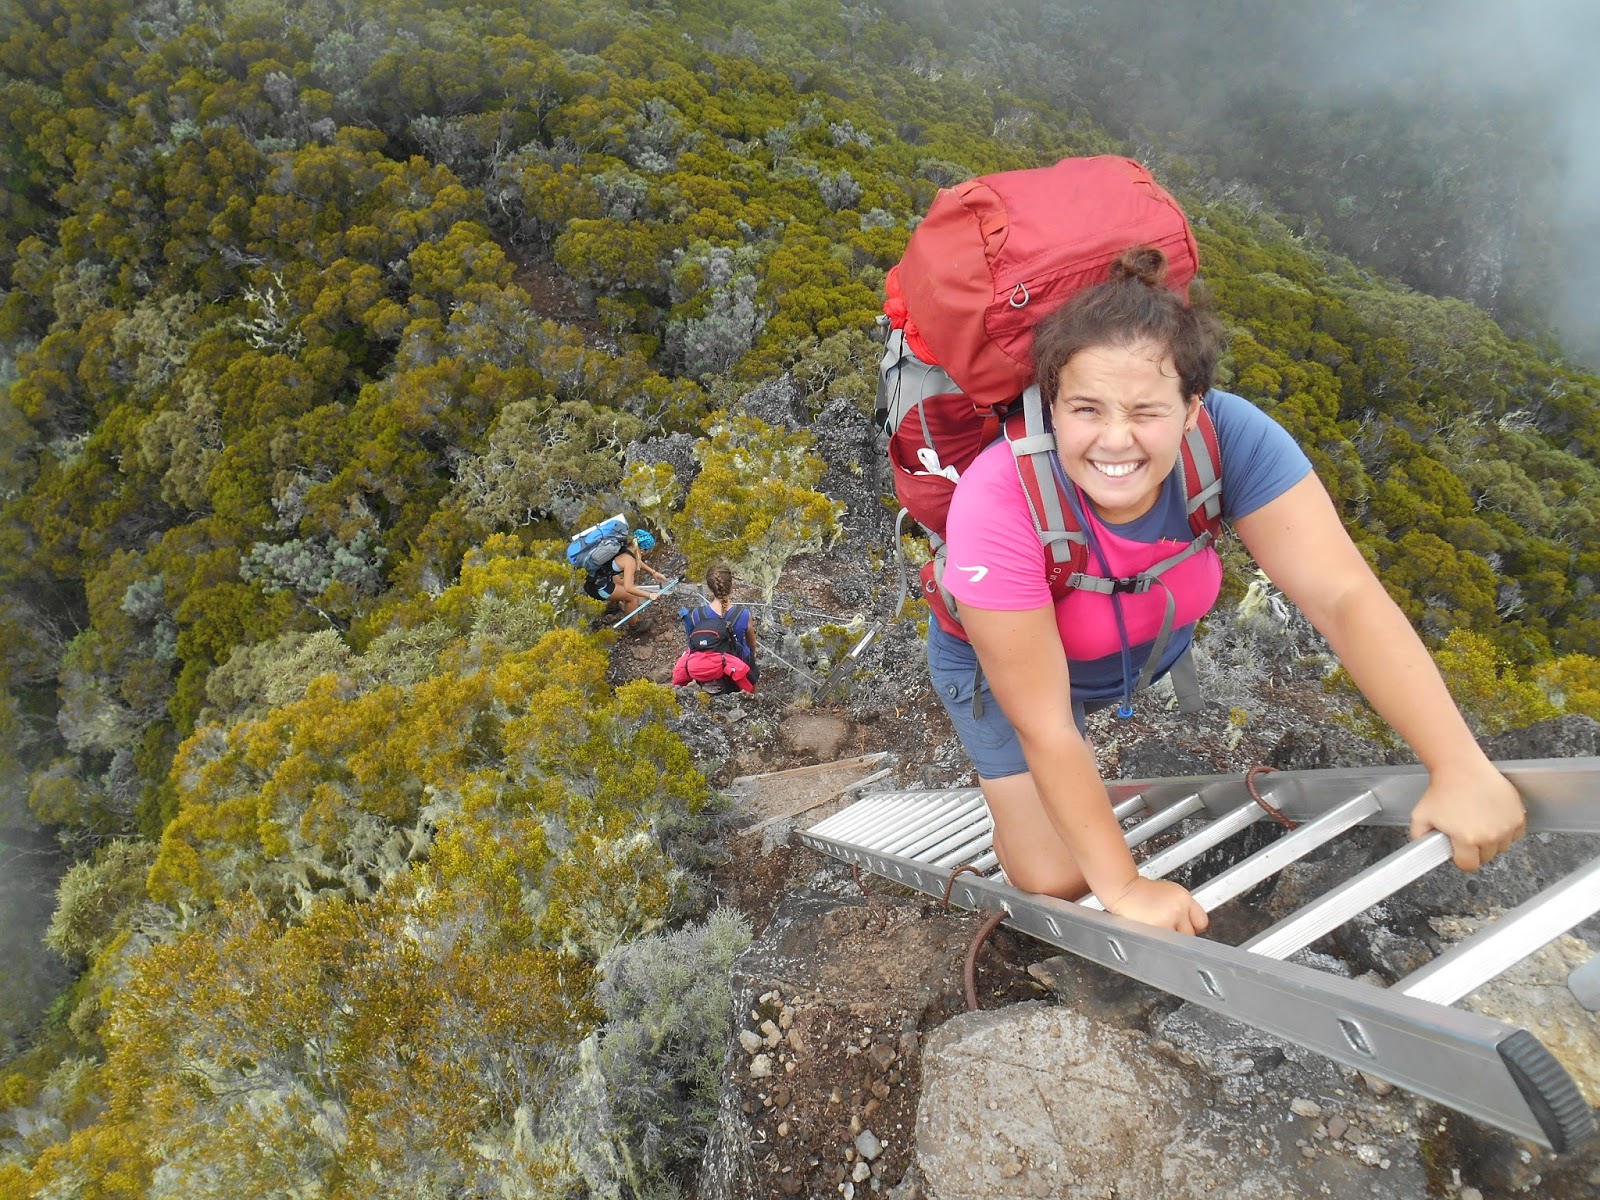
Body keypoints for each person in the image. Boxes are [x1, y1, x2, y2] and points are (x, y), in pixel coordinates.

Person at [929, 245, 1527, 936]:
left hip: (1118, 657)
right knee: (1056, 875)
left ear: (1191, 411)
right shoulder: (1000, 497)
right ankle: (1015, 816)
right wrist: (1123, 884)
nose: (1115, 440)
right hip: (999, 673)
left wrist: (1457, 765)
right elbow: (1045, 722)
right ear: (1052, 406)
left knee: (1073, 802)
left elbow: (1343, 597)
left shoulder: (1233, 438)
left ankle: (1052, 801)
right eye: (1086, 409)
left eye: (1146, 411)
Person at [673, 561, 761, 693]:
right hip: (738, 668)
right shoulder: (743, 614)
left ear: (709, 588)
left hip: (710, 671)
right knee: (752, 694)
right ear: (731, 586)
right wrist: (752, 657)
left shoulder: (697, 614)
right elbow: (752, 643)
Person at [599, 529, 668, 616]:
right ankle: (634, 626)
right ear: (643, 550)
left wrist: (653, 572)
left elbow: (637, 561)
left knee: (621, 583)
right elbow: (629, 588)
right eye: (649, 550)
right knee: (632, 597)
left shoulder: (625, 548)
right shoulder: (630, 562)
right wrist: (649, 595)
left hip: (599, 578)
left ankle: (612, 607)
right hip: (599, 587)